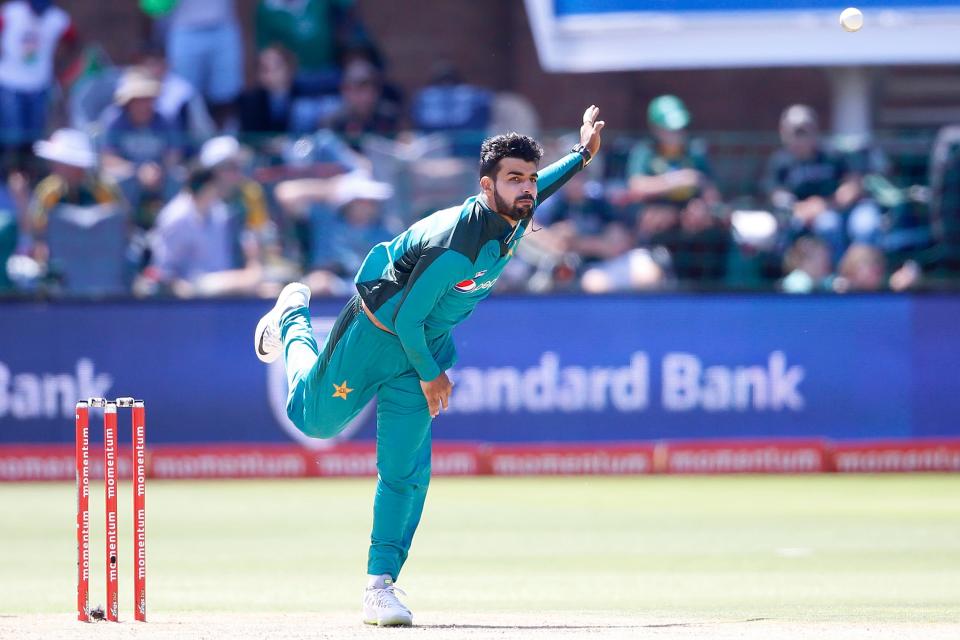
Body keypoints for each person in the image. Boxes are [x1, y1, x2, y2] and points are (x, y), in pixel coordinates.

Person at [253, 106, 605, 626]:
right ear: (487, 186)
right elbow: (410, 318)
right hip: (379, 334)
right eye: (514, 180)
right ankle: (293, 315)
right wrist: (433, 375)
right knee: (313, 422)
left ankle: (379, 587)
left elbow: (540, 189)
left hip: (424, 346)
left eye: (529, 178)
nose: (527, 189)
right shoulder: (458, 243)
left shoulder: (517, 209)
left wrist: (580, 156)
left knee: (408, 472)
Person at [0, 0, 79, 161]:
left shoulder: (58, 19)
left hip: (39, 86)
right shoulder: (10, 13)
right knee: (11, 136)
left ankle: (31, 177)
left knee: (35, 139)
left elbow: (74, 41)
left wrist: (62, 71)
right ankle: (8, 176)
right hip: (8, 83)